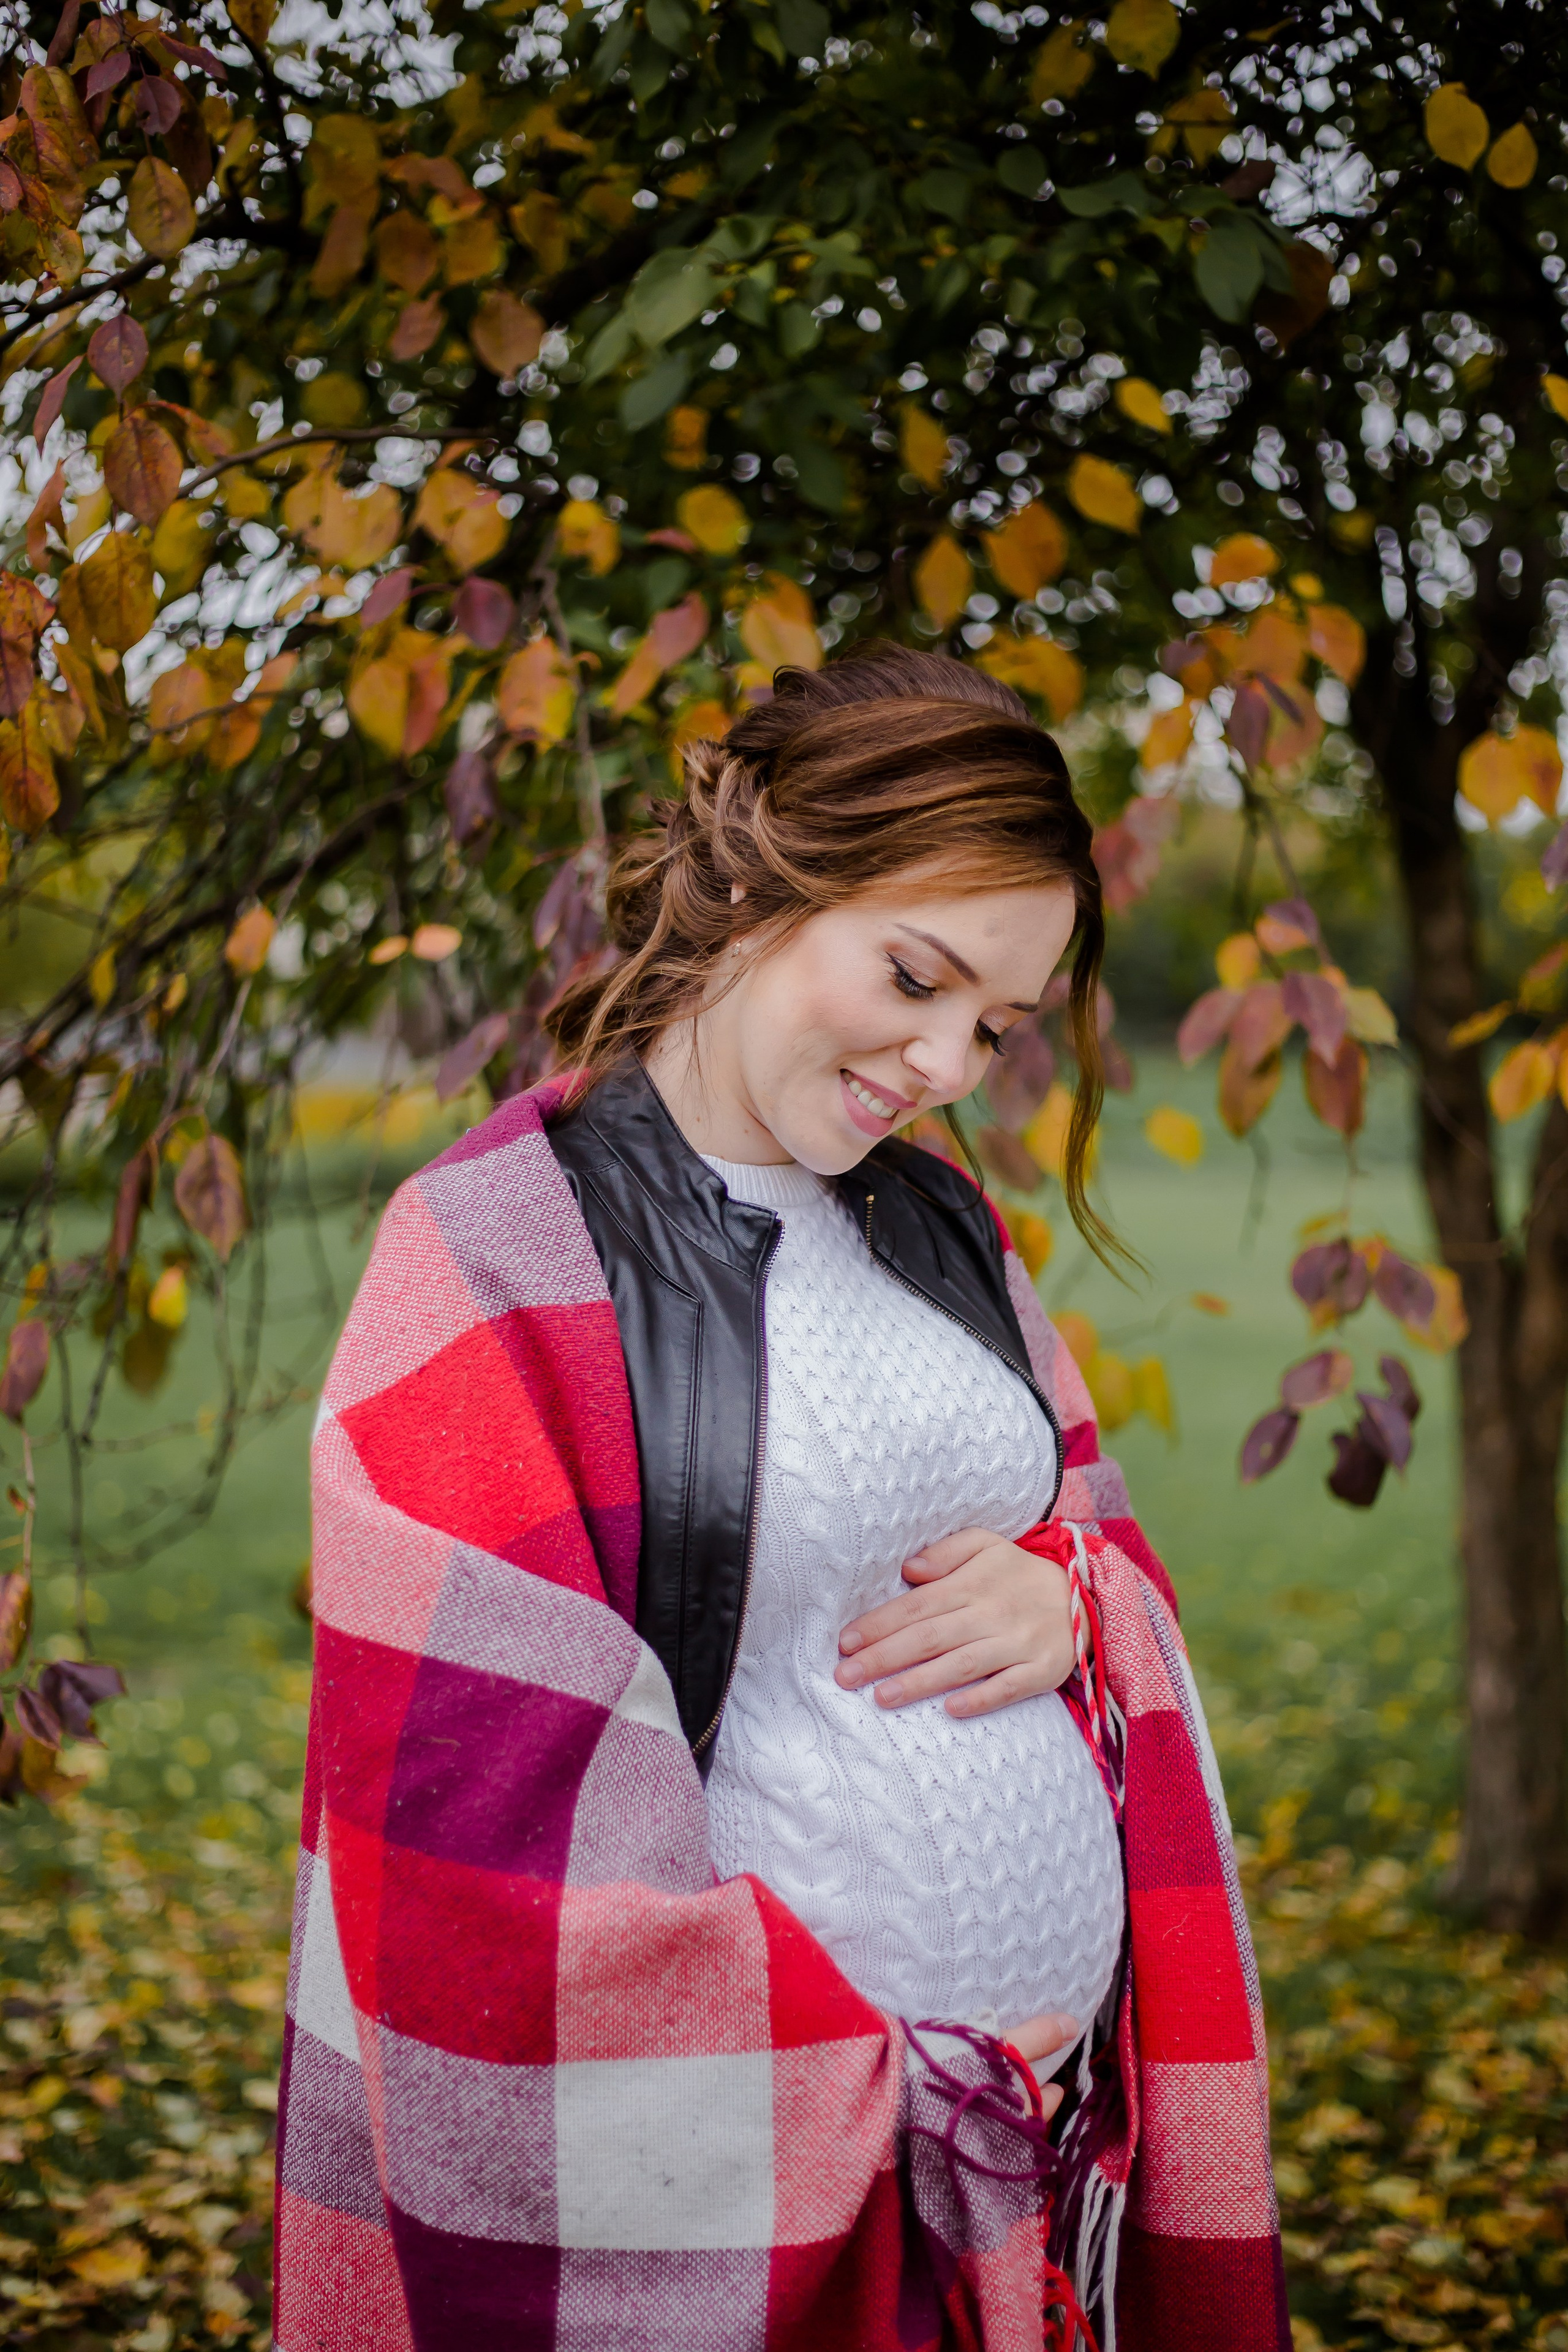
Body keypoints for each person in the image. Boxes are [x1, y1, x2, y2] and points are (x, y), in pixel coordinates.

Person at [275, 646, 1286, 2352]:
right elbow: (476, 1838)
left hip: (1044, 2196)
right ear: (763, 871)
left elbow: (1095, 1535)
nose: (948, 1060)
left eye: (995, 1023)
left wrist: (1074, 1593)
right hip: (767, 2213)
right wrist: (885, 2084)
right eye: (915, 974)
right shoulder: (498, 1259)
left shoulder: (942, 1227)